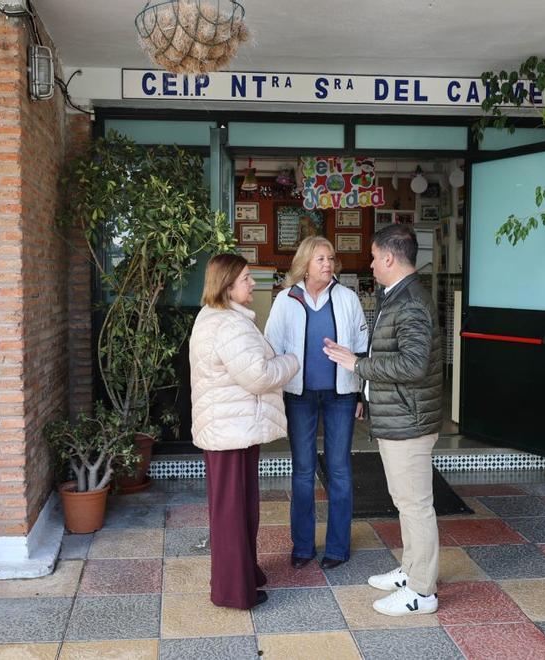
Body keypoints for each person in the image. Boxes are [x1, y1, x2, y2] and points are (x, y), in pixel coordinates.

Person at [323, 223, 443, 617]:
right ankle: (411, 570)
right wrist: (366, 393)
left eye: (374, 257)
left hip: (408, 422)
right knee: (405, 502)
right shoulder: (398, 295)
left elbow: (412, 364)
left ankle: (422, 592)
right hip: (398, 417)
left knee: (415, 505)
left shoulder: (410, 302)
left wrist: (358, 365)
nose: (371, 264)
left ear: (389, 258)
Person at [189, 253, 299, 609]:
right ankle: (234, 591)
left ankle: (243, 577)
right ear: (227, 285)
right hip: (230, 432)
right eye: (247, 278)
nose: (253, 283)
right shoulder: (228, 324)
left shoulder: (215, 317)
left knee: (235, 511)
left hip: (230, 429)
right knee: (233, 514)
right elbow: (259, 376)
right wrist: (293, 359)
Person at [264, 236, 368, 570]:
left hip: (341, 396)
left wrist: (360, 392)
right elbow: (271, 348)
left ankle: (337, 547)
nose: (328, 264)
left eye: (331, 258)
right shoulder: (285, 299)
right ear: (305, 263)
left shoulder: (348, 298)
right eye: (321, 258)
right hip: (300, 397)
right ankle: (303, 546)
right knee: (303, 471)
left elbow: (362, 348)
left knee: (339, 470)